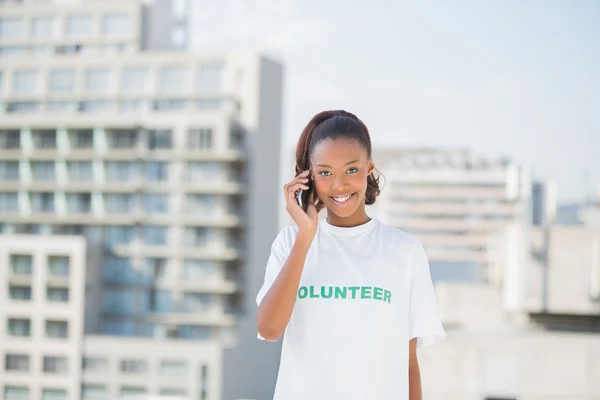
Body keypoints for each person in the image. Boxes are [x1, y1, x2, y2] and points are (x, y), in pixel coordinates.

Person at [256, 110, 446, 400]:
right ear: (308, 177)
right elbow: (269, 329)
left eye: (351, 169)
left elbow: (408, 364)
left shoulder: (404, 252)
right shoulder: (290, 244)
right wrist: (306, 236)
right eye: (325, 172)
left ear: (369, 167)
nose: (339, 185)